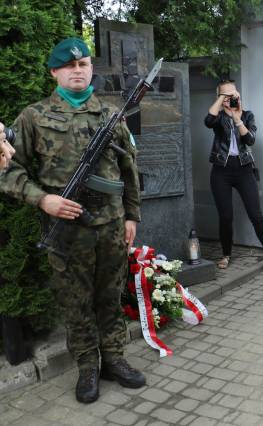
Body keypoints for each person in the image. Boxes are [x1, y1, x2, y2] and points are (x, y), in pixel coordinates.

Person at [0, 37, 146, 403]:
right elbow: (7, 169)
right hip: (66, 232)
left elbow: (129, 170)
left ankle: (114, 360)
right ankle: (87, 369)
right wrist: (43, 199)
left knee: (111, 298)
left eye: (82, 65)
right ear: (55, 72)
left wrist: (132, 216)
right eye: (69, 66)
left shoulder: (112, 114)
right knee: (76, 304)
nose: (77, 70)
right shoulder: (33, 117)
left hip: (112, 227)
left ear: (91, 69)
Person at [205, 79, 263, 279]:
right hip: (221, 171)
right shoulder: (218, 117)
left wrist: (238, 118)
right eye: (225, 95)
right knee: (226, 216)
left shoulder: (247, 115)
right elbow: (207, 121)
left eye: (233, 94)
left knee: (256, 216)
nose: (229, 98)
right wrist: (222, 99)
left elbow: (250, 140)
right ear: (220, 98)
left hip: (243, 169)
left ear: (239, 95)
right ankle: (226, 254)